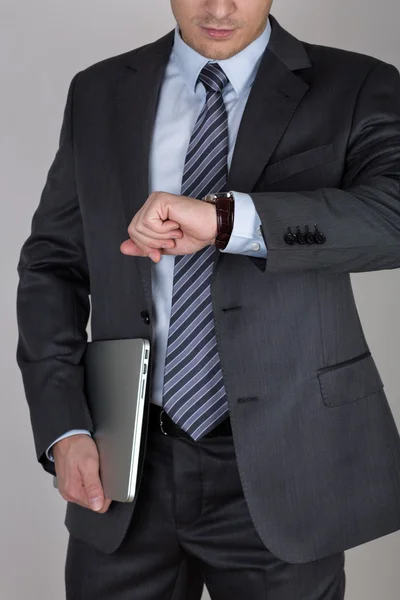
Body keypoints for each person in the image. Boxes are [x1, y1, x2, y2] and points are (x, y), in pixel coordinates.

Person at [16, 0, 400, 598]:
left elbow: (393, 217)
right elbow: (51, 267)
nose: (219, 8)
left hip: (288, 468)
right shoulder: (98, 91)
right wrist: (63, 427)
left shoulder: (356, 83)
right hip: (127, 469)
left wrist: (229, 220)